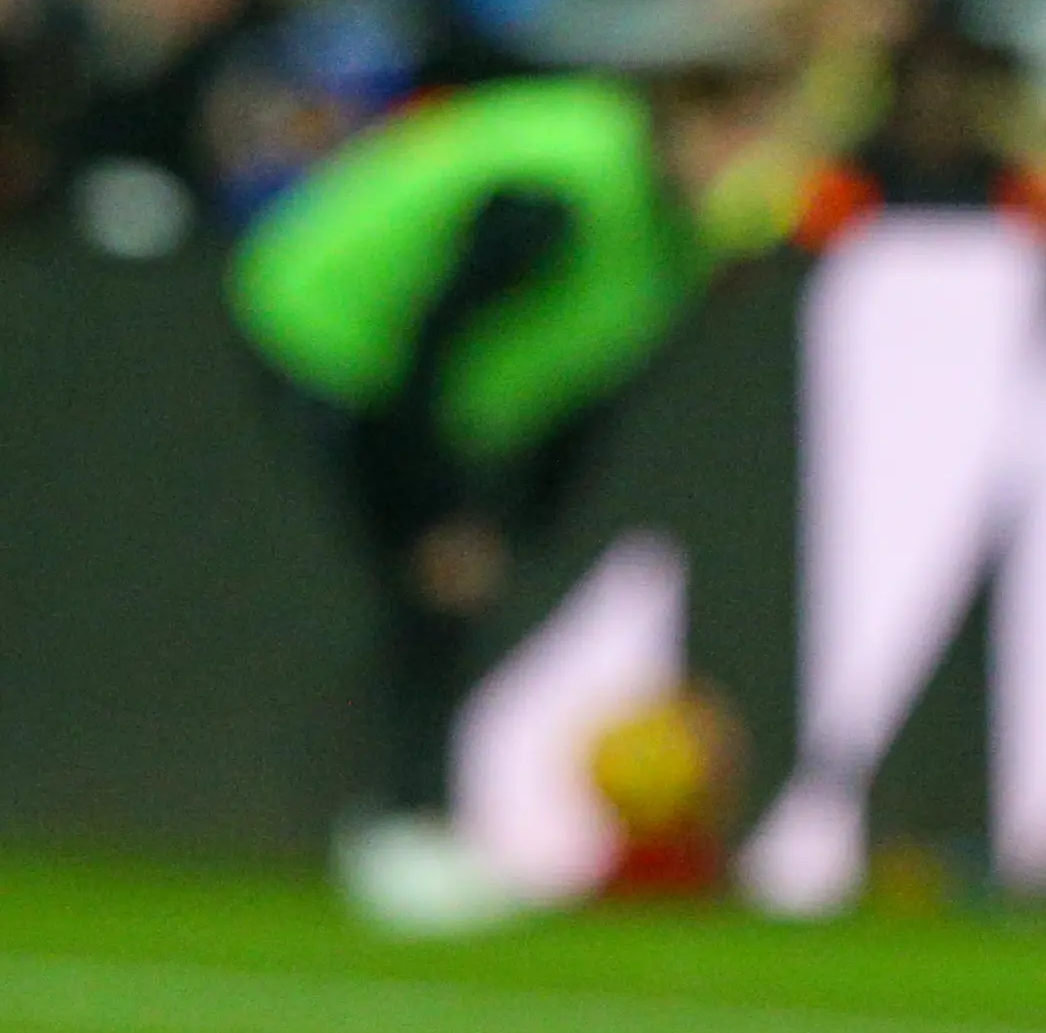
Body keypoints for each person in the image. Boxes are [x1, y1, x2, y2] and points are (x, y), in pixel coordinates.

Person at [231, 59, 782, 934]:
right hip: (331, 339)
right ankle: (401, 829)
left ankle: (413, 822)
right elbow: (424, 339)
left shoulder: (672, 244)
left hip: (426, 391)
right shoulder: (559, 194)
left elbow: (584, 407)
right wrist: (442, 518)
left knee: (445, 598)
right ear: (683, 118)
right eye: (733, 131)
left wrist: (504, 528)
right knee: (425, 594)